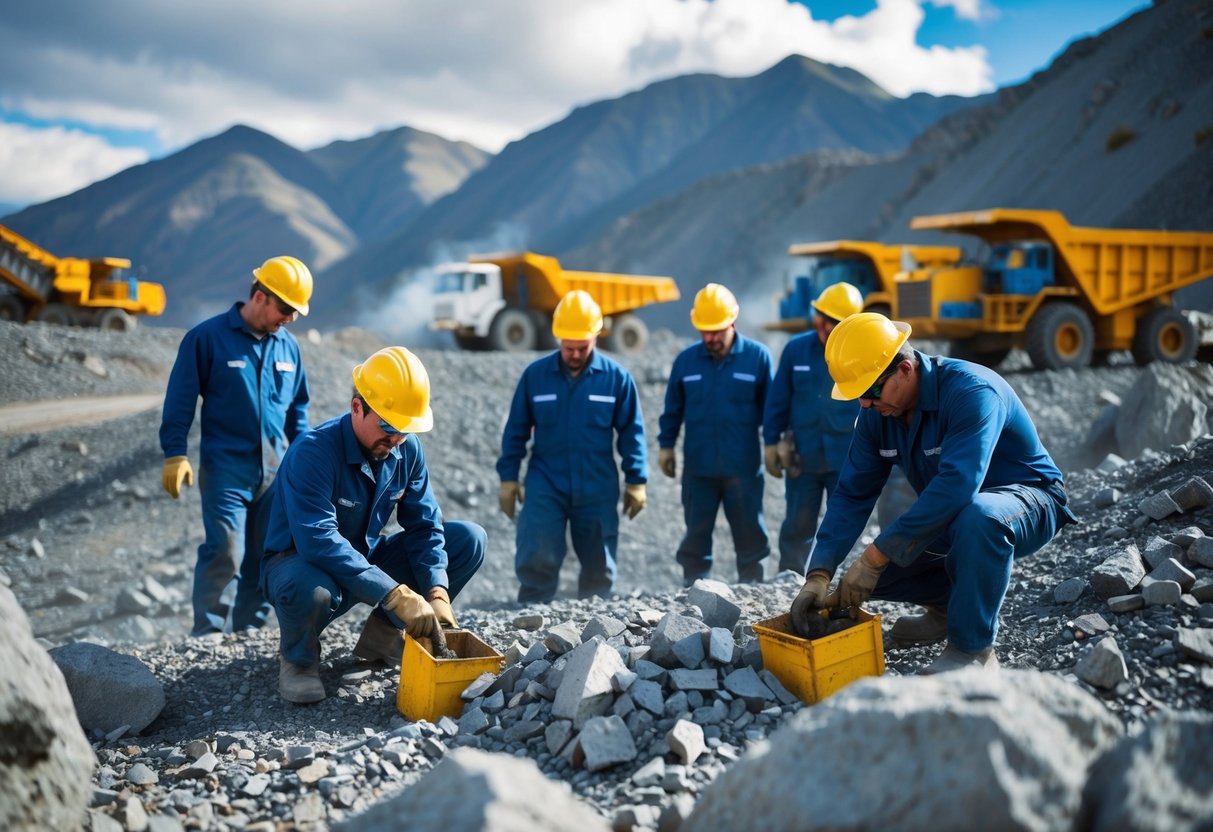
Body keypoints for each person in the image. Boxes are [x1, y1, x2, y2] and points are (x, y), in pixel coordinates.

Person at [789, 312, 1077, 673]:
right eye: (858, 396)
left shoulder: (971, 391)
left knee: (975, 519)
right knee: (868, 575)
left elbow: (959, 483)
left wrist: (876, 556)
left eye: (870, 391)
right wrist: (819, 573)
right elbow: (851, 494)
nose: (864, 404)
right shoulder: (878, 416)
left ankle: (973, 651)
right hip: (958, 514)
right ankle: (947, 608)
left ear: (905, 369)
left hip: (1028, 501)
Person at [261, 347, 486, 703]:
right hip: (303, 563)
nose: (396, 439)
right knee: (310, 588)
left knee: (469, 539)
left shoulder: (405, 450)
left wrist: (437, 592)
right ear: (356, 408)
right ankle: (299, 659)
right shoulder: (313, 452)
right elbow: (317, 539)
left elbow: (425, 525)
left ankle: (383, 636)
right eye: (388, 426)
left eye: (404, 430)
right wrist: (392, 593)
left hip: (365, 557)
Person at [159, 256, 313, 638]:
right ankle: (208, 634)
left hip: (276, 473)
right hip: (225, 470)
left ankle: (248, 633)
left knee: (266, 557)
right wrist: (175, 452)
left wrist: (305, 463)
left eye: (296, 312)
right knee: (226, 550)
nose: (291, 318)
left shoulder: (289, 349)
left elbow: (299, 411)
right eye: (285, 309)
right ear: (260, 296)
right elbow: (180, 401)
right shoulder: (206, 339)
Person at [497, 290, 647, 603]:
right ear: (558, 338)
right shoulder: (535, 377)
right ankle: (532, 618)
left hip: (597, 484)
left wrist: (636, 479)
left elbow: (632, 431)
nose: (575, 354)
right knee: (536, 550)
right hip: (546, 482)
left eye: (582, 347)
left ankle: (596, 621)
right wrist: (509, 477)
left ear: (596, 336)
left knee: (599, 564)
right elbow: (516, 431)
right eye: (568, 347)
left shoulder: (617, 379)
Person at [658, 283, 773, 585]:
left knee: (750, 536)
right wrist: (666, 446)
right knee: (695, 536)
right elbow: (673, 409)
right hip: (699, 470)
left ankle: (753, 588)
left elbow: (772, 410)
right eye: (704, 332)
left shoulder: (757, 358)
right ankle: (694, 590)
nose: (710, 338)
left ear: (732, 323)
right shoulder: (686, 362)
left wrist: (777, 443)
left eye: (717, 332)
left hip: (743, 469)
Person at [762, 282, 864, 576]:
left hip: (844, 458)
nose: (826, 326)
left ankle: (832, 578)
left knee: (840, 522)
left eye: (834, 322)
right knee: (797, 522)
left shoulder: (861, 353)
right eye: (823, 319)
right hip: (803, 456)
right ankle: (789, 578)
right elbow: (777, 400)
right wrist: (771, 441)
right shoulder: (796, 350)